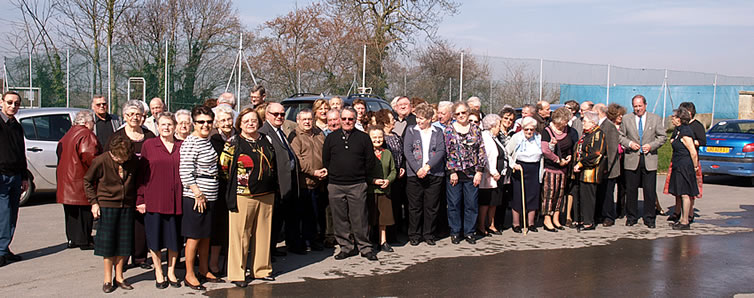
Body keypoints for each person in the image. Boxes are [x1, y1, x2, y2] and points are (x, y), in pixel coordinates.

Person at [220, 108, 277, 287]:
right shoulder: (233, 142)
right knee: (240, 235)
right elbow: (223, 167)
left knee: (263, 234)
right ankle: (237, 273)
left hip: (266, 194)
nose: (251, 123)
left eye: (254, 120)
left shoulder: (266, 140)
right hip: (243, 195)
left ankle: (261, 270)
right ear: (240, 124)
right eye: (246, 121)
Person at [104, 100, 156, 270]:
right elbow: (107, 161)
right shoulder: (117, 137)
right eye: (131, 114)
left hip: (144, 186)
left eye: (138, 114)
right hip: (123, 187)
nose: (135, 117)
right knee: (123, 224)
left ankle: (140, 258)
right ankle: (122, 260)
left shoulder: (149, 136)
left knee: (140, 224)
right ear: (125, 116)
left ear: (143, 117)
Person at [83, 135, 138, 293]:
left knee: (123, 244)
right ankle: (107, 278)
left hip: (127, 205)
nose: (121, 161)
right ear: (112, 152)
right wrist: (94, 202)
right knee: (108, 245)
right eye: (118, 158)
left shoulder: (133, 161)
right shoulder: (100, 161)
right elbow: (87, 181)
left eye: (124, 158)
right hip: (107, 205)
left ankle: (119, 276)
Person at [323, 107, 378, 261]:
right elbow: (326, 159)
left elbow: (370, 161)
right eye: (344, 119)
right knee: (339, 218)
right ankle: (345, 247)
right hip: (336, 185)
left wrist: (359, 175)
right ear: (340, 119)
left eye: (350, 119)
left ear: (355, 120)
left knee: (360, 217)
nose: (347, 122)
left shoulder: (363, 138)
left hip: (357, 184)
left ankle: (365, 247)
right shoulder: (331, 138)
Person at [136, 112, 183, 289]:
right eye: (162, 124)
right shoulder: (149, 145)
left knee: (174, 239)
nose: (166, 127)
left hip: (175, 201)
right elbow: (141, 174)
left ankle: (171, 271)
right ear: (157, 126)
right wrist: (140, 199)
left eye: (169, 124)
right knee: (155, 239)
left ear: (175, 126)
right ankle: (158, 271)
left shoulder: (181, 145)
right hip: (154, 199)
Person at [179, 106, 221, 290]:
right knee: (194, 237)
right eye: (201, 122)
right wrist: (198, 193)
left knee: (206, 236)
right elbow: (185, 172)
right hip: (196, 197)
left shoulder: (208, 140)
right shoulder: (191, 142)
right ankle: (189, 274)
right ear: (194, 123)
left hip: (211, 194)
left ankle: (204, 269)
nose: (205, 125)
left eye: (209, 122)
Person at [259, 103, 304, 255]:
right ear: (267, 115)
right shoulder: (264, 133)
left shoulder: (280, 131)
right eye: (275, 114)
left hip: (288, 181)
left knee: (286, 217)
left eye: (282, 114)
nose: (279, 117)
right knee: (274, 220)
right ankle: (269, 251)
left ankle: (285, 246)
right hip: (277, 184)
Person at [619, 95, 666, 228]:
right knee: (631, 190)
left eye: (640, 106)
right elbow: (620, 136)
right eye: (635, 106)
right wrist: (629, 143)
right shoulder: (627, 119)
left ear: (645, 105)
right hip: (632, 159)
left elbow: (662, 137)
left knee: (649, 190)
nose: (638, 109)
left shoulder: (655, 119)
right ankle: (631, 217)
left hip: (649, 159)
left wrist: (651, 145)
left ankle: (650, 218)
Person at [56, 110, 101, 250]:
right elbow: (90, 156)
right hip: (80, 181)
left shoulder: (67, 134)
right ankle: (84, 240)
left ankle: (72, 239)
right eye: (93, 122)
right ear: (87, 122)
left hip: (66, 181)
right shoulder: (86, 135)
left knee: (71, 213)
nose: (93, 125)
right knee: (84, 212)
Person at [444, 102, 487, 244]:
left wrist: (479, 172)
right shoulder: (449, 130)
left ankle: (470, 232)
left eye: (463, 112)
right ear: (454, 115)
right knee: (454, 203)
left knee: (471, 204)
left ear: (468, 113)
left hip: (472, 173)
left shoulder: (476, 129)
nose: (461, 116)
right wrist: (451, 171)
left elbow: (481, 151)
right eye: (457, 113)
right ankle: (455, 232)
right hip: (455, 173)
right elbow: (447, 152)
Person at [403, 104, 445, 246]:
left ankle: (429, 234)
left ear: (429, 119)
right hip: (415, 174)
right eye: (417, 118)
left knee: (431, 206)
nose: (419, 121)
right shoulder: (410, 130)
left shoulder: (437, 131)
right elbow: (407, 151)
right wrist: (417, 169)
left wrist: (427, 167)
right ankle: (414, 234)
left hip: (434, 173)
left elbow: (440, 151)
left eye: (421, 118)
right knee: (415, 206)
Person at [290, 109, 328, 251]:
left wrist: (325, 168)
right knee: (302, 215)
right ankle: (300, 242)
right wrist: (313, 172)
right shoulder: (295, 136)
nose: (307, 122)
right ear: (298, 120)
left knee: (315, 214)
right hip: (303, 183)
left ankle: (312, 240)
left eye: (309, 119)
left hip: (319, 182)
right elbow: (297, 159)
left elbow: (325, 153)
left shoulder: (319, 134)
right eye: (304, 119)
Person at [0, 92, 29, 267]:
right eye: (9, 102)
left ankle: (5, 247)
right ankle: (1, 251)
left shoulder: (16, 126)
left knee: (12, 215)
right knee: (3, 214)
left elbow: (21, 152)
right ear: (1, 102)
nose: (13, 106)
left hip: (16, 176)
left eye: (16, 103)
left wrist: (24, 176)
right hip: (2, 176)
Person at [666, 102, 705, 223]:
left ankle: (685, 220)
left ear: (679, 118)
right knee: (680, 192)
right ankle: (681, 217)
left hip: (685, 166)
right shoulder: (679, 130)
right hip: (678, 164)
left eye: (674, 116)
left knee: (685, 193)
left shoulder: (686, 132)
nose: (672, 118)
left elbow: (693, 152)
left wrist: (694, 167)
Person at [539, 107, 577, 231]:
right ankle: (547, 218)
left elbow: (570, 145)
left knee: (560, 194)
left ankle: (556, 217)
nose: (566, 124)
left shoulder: (568, 131)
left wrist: (569, 156)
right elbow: (545, 150)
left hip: (564, 169)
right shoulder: (547, 131)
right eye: (564, 121)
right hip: (551, 168)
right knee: (549, 194)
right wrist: (557, 160)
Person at [208, 105, 236, 275]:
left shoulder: (238, 138)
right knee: (218, 227)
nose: (227, 123)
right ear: (217, 123)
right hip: (219, 188)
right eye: (223, 120)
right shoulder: (213, 140)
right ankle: (213, 263)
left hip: (236, 188)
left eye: (229, 119)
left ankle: (232, 262)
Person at [506, 117, 543, 233]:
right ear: (522, 128)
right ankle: (516, 223)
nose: (529, 132)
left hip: (534, 168)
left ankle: (530, 223)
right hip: (520, 168)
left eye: (531, 129)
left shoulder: (538, 137)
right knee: (518, 196)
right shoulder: (516, 137)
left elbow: (543, 153)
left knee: (533, 195)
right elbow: (506, 153)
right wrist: (513, 164)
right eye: (526, 129)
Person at [573, 111, 606, 231]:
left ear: (592, 122)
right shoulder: (586, 133)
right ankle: (580, 219)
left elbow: (597, 153)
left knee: (588, 196)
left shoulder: (598, 134)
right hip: (581, 172)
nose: (583, 123)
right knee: (581, 195)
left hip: (590, 172)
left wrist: (581, 163)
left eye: (585, 121)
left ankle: (588, 222)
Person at [366, 126, 396, 252]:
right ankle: (369, 242)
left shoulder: (387, 153)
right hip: (370, 191)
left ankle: (383, 241)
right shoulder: (366, 154)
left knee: (383, 219)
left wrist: (388, 180)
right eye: (374, 137)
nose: (377, 139)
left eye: (380, 137)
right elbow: (362, 172)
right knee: (370, 217)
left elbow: (393, 170)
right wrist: (373, 181)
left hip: (384, 190)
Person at [478, 114, 507, 236]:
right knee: (485, 202)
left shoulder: (495, 138)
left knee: (494, 201)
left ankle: (491, 223)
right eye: (498, 125)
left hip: (497, 176)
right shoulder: (485, 137)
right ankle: (481, 225)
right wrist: (494, 172)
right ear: (492, 126)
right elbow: (486, 157)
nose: (499, 128)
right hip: (488, 176)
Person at [594, 103, 620, 227]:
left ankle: (609, 216)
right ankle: (599, 214)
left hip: (608, 168)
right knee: (600, 192)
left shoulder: (610, 127)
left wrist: (606, 167)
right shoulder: (597, 125)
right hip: (598, 167)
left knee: (608, 193)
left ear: (600, 112)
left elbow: (613, 148)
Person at [607, 104, 628, 219]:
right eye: (618, 115)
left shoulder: (624, 126)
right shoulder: (610, 126)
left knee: (623, 186)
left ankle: (621, 208)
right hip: (613, 158)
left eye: (622, 115)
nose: (620, 117)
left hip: (623, 158)